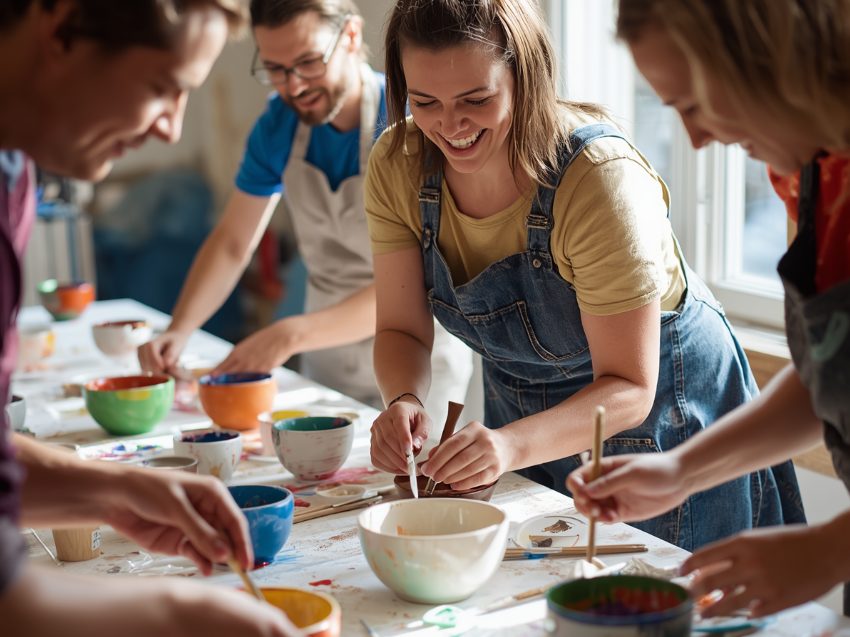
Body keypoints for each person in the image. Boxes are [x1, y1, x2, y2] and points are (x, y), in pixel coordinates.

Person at [365, 0, 805, 552]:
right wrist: (403, 399)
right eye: (425, 101)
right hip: (522, 416)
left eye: (476, 100)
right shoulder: (400, 161)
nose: (449, 126)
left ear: (525, 79)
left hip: (657, 410)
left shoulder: (598, 181)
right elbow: (402, 330)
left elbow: (629, 385)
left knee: (659, 603)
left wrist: (509, 447)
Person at [0, 1, 300, 635]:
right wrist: (177, 614)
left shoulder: (14, 172)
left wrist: (118, 491)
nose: (171, 130)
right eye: (166, 88)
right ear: (62, 30)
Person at [568, 0, 850, 619]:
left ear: (771, 55)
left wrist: (832, 550)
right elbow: (829, 377)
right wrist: (680, 471)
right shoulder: (808, 169)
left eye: (695, 106)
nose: (697, 140)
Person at [138, 0, 473, 417]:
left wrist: (291, 334)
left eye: (308, 62)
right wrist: (180, 329)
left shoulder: (411, 121)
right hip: (326, 356)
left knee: (416, 479)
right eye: (276, 69)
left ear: (351, 37)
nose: (294, 86)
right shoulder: (279, 124)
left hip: (418, 363)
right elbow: (232, 243)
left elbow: (422, 281)